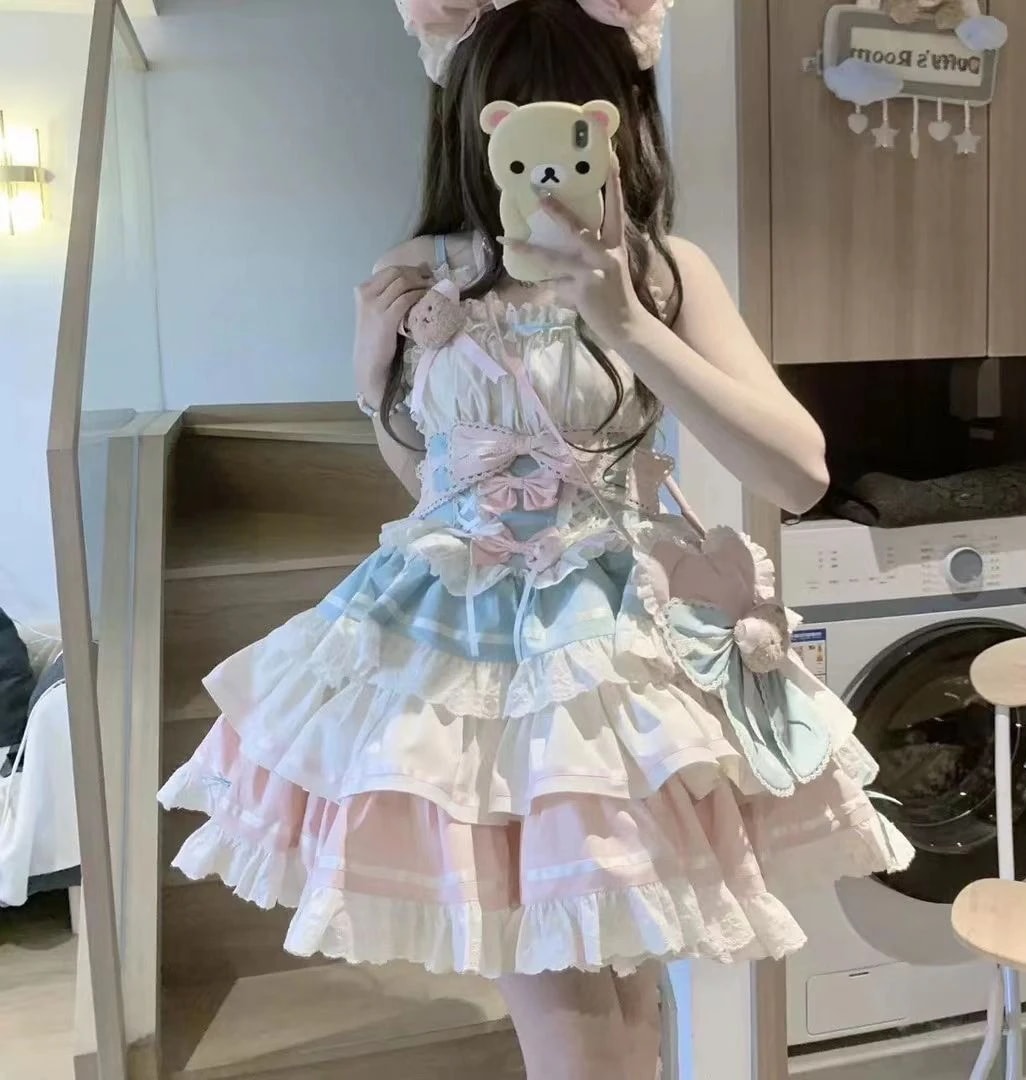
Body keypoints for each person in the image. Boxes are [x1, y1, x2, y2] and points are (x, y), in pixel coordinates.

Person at [159, 2, 914, 1077]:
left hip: (611, 648)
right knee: (570, 1014)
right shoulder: (418, 271)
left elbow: (798, 473)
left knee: (629, 999)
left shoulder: (664, 271)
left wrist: (628, 322)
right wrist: (371, 382)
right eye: (520, 124)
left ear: (620, 125)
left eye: (581, 124)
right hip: (458, 659)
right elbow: (431, 486)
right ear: (478, 125)